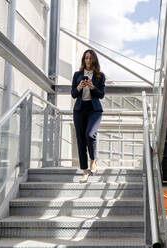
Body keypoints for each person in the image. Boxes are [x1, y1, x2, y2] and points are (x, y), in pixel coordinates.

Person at [71, 49, 105, 183]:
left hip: (94, 109)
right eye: (86, 58)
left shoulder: (100, 76)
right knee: (80, 140)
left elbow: (101, 94)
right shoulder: (77, 74)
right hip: (79, 110)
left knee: (90, 134)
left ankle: (93, 161)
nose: (88, 61)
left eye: (90, 58)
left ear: (94, 60)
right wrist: (79, 87)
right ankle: (85, 172)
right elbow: (73, 94)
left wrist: (92, 87)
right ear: (83, 60)